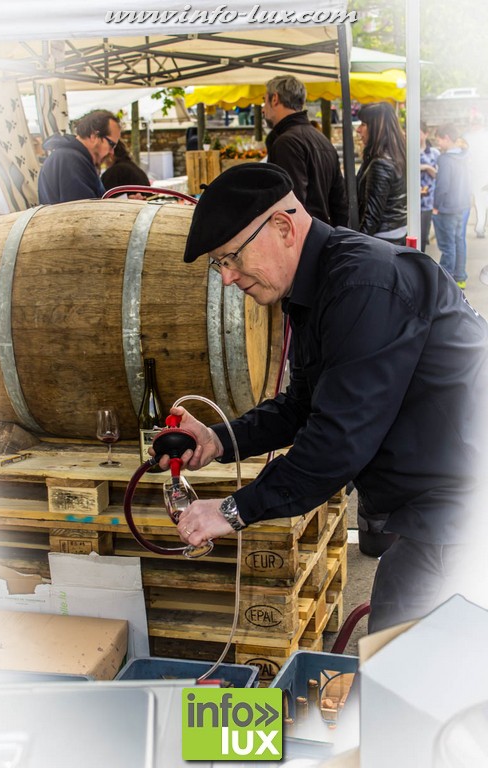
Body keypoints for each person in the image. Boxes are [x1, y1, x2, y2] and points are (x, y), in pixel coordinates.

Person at [154, 162, 488, 634]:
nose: (226, 278)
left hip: (463, 502)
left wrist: (232, 510)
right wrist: (218, 439)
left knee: (400, 648)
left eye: (231, 258)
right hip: (439, 498)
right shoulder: (321, 284)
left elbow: (338, 441)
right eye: (219, 265)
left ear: (283, 227)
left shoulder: (364, 285)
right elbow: (303, 404)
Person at [263, 75, 348, 227]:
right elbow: (340, 204)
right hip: (323, 233)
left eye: (264, 101)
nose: (263, 109)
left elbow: (290, 205)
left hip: (303, 236)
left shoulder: (287, 142)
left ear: (274, 99)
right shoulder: (322, 139)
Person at [38, 110, 121, 204]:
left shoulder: (74, 158)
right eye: (111, 144)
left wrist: (124, 204)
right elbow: (82, 210)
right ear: (94, 136)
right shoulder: (70, 160)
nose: (112, 152)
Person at [356, 102, 407, 244]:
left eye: (363, 124)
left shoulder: (381, 163)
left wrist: (356, 246)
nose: (358, 130)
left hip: (382, 239)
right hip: (396, 232)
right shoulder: (397, 155)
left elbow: (372, 217)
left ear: (376, 127)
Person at [432, 123, 471, 289]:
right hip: (462, 206)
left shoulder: (445, 159)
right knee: (459, 241)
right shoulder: (465, 155)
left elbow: (443, 186)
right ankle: (460, 278)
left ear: (446, 138)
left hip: (447, 209)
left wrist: (435, 206)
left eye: (438, 140)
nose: (438, 144)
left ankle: (445, 284)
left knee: (447, 247)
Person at [463, 113, 488, 239]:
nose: (475, 126)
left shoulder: (482, 137)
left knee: (480, 202)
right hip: (468, 174)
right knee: (470, 202)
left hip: (481, 174)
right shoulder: (467, 137)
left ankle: (480, 227)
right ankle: (476, 227)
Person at [419, 120, 440, 253]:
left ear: (426, 134)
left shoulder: (434, 153)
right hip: (408, 203)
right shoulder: (406, 151)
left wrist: (427, 168)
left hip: (427, 202)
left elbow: (439, 176)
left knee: (422, 237)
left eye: (418, 133)